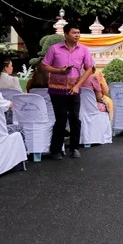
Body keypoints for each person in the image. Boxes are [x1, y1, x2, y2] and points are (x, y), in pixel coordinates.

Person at [41, 23, 94, 160]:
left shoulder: (84, 50)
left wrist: (78, 86)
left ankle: (74, 148)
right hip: (56, 90)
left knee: (75, 118)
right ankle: (56, 150)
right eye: (74, 32)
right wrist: (59, 71)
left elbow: (89, 68)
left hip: (74, 89)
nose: (77, 35)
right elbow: (45, 65)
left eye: (78, 32)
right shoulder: (54, 49)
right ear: (66, 34)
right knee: (61, 119)